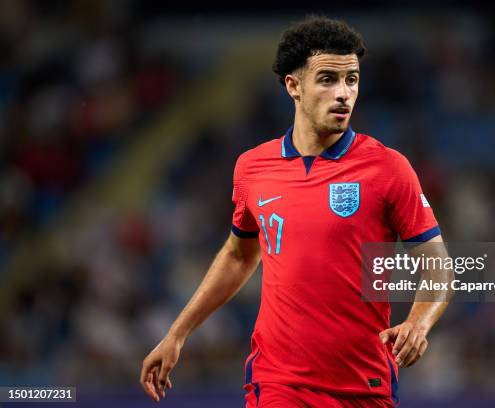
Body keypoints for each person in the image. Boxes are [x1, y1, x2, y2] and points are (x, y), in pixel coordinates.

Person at [141, 16, 451, 407]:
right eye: (327, 79)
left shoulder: (388, 168)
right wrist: (177, 334)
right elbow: (239, 255)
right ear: (294, 85)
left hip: (363, 385)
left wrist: (418, 323)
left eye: (351, 80)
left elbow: (440, 267)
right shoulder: (252, 168)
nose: (343, 94)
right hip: (278, 383)